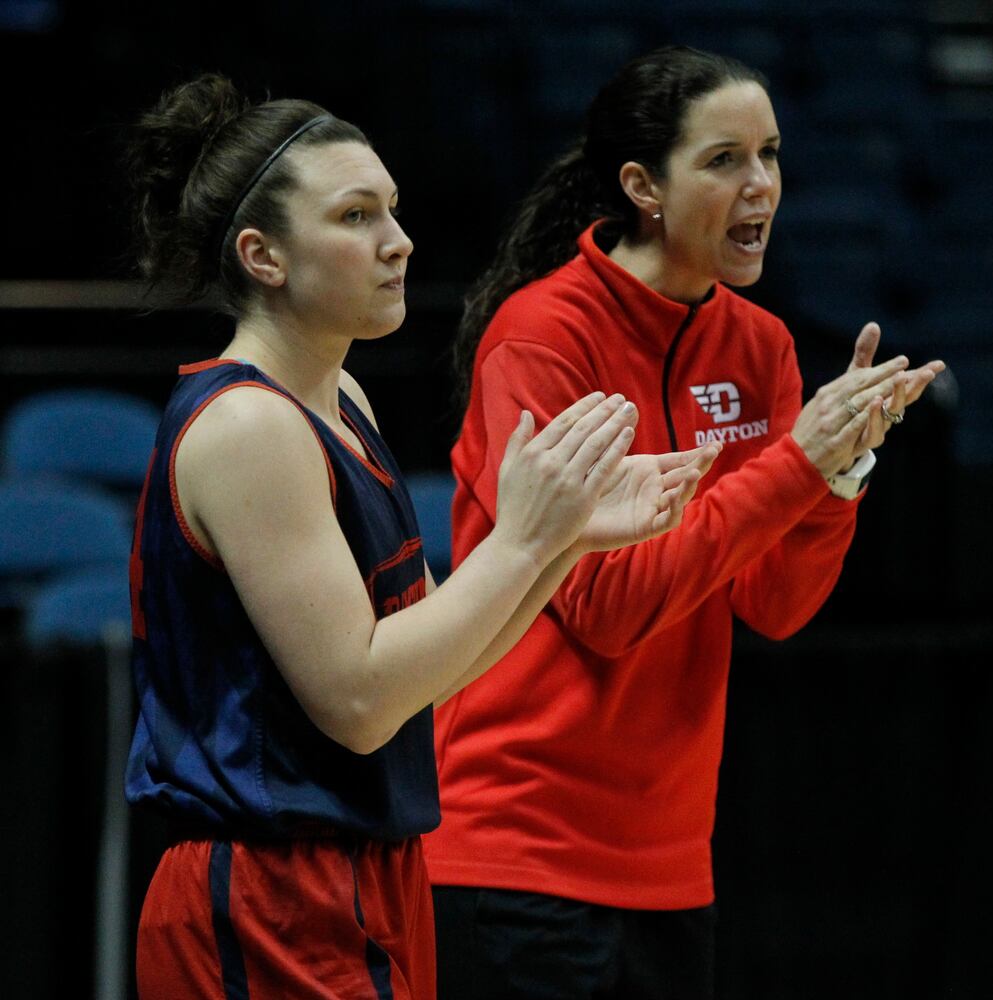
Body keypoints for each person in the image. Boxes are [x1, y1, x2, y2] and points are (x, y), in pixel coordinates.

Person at [122, 72, 717, 1000]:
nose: (397, 242)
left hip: (370, 875)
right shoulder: (249, 428)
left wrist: (564, 541)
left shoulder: (342, 399)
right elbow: (357, 704)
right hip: (268, 889)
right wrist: (521, 543)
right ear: (264, 256)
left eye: (392, 209)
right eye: (356, 216)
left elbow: (426, 670)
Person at [424, 45, 946, 1000]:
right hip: (515, 852)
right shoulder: (544, 340)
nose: (762, 187)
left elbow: (774, 605)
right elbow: (605, 609)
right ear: (642, 186)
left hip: (670, 862)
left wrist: (838, 478)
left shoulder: (759, 347)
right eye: (724, 160)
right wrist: (797, 463)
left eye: (772, 155)